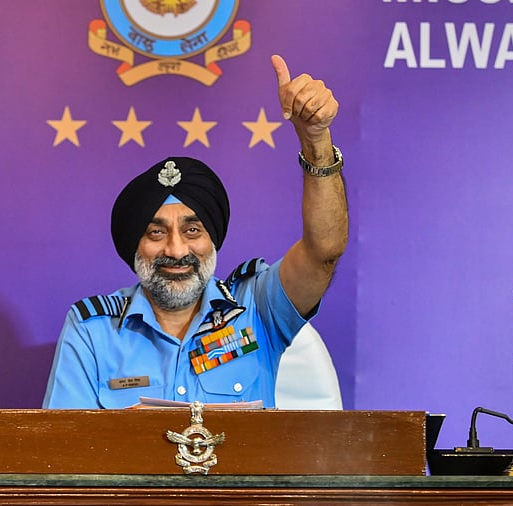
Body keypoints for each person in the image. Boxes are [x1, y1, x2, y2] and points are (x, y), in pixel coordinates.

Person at [43, 54, 348, 409]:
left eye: (192, 230)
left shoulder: (257, 308)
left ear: (212, 238)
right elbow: (64, 441)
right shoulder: (92, 331)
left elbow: (323, 251)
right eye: (156, 233)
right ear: (134, 244)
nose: (176, 250)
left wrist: (316, 142)